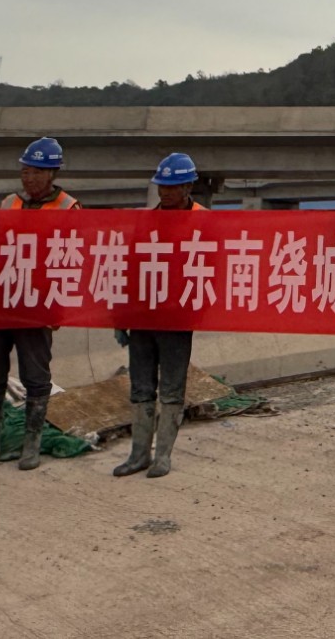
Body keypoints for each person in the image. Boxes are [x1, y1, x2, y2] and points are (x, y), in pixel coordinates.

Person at [0, 138, 81, 474]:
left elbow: (73, 261)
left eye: (37, 171)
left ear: (52, 173)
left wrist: (59, 306)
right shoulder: (9, 203)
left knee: (35, 377)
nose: (29, 177)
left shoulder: (69, 208)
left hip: (36, 305)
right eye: (26, 171)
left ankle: (31, 443)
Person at [114, 153, 203, 480]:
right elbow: (130, 269)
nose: (165, 192)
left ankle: (162, 455)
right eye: (162, 186)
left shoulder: (204, 221)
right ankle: (139, 454)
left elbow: (216, 268)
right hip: (143, 317)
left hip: (177, 318)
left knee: (171, 389)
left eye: (172, 187)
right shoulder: (146, 221)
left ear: (188, 187)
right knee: (141, 388)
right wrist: (121, 315)